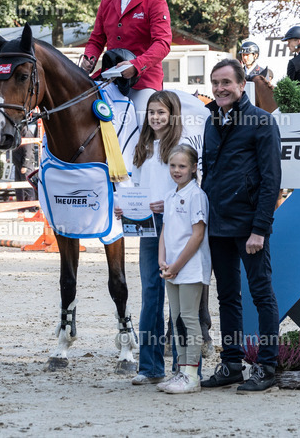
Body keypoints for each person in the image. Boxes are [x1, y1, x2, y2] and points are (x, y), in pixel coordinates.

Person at [200, 58, 282, 393]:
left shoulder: (261, 122)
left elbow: (271, 179)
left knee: (262, 295)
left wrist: (259, 229)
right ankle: (232, 363)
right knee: (227, 297)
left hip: (250, 228)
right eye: (215, 83)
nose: (220, 88)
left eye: (226, 83)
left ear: (241, 85)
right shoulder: (210, 120)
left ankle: (267, 366)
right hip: (217, 226)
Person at [119, 90, 206, 386]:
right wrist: (126, 207)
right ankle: (150, 365)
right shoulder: (142, 145)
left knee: (180, 297)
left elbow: (191, 184)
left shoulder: (180, 145)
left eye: (161, 112)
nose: (155, 117)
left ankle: (188, 368)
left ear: (173, 114)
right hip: (147, 224)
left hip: (176, 224)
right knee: (150, 294)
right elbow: (138, 185)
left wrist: (164, 202)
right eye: (151, 112)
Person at [80, 0, 173, 119]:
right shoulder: (106, 2)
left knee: (142, 126)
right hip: (110, 78)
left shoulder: (155, 3)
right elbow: (96, 39)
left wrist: (136, 66)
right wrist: (89, 58)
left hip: (143, 81)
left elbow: (162, 44)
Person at [157, 144, 211, 394]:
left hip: (189, 268)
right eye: (172, 165)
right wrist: (163, 261)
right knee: (177, 319)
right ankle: (180, 369)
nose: (176, 170)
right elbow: (165, 231)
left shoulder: (196, 195)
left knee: (190, 319)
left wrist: (177, 266)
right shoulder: (170, 195)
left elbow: (197, 235)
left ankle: (192, 374)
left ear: (192, 169)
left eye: (182, 166)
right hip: (171, 269)